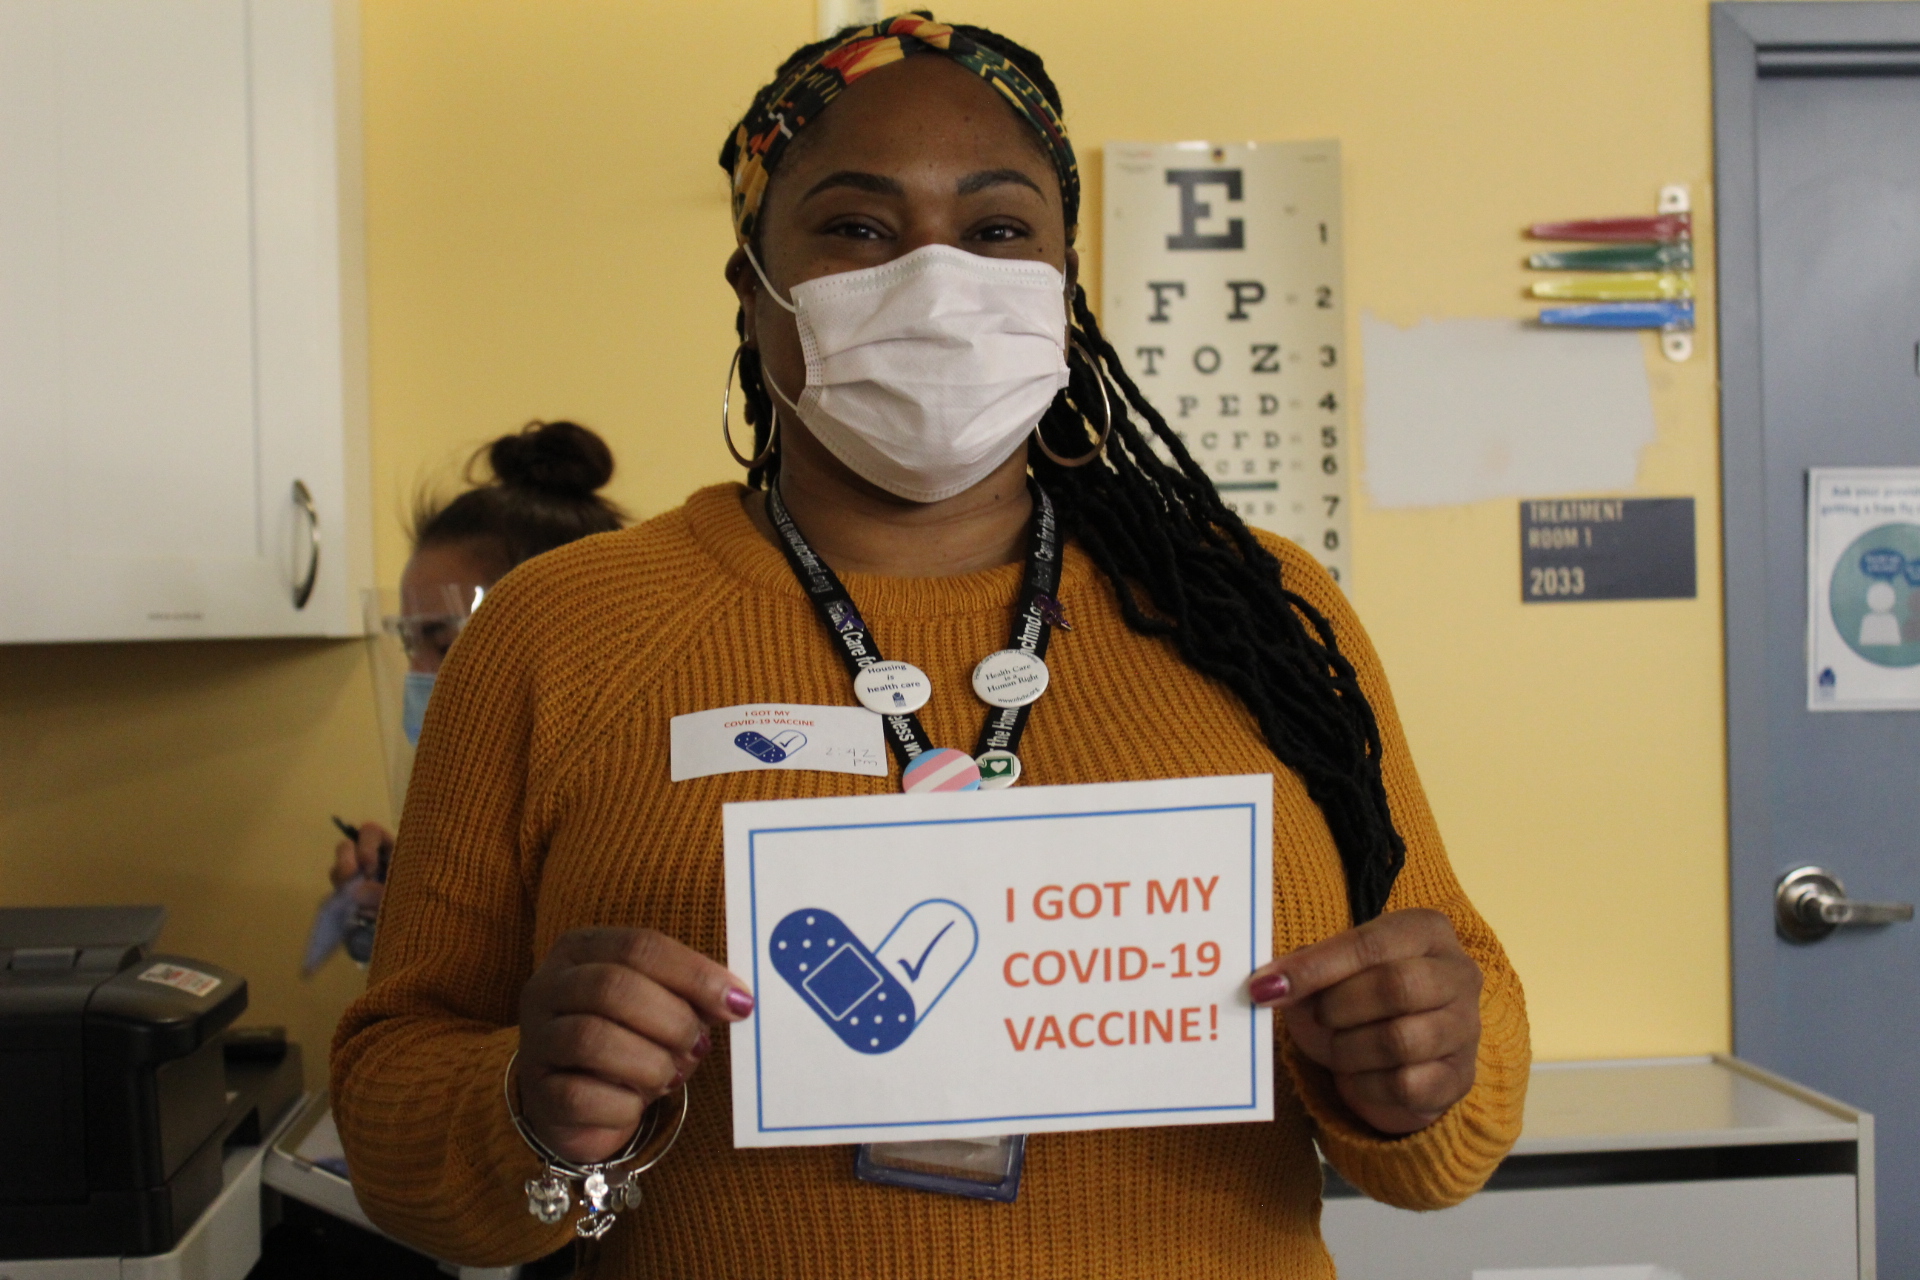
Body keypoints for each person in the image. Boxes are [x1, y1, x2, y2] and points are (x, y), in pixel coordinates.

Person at [331, 17, 1528, 1278]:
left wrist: (1427, 1065)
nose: (938, 280)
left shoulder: (1261, 609)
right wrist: (526, 1104)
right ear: (752, 285)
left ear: (1065, 281)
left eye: (999, 230)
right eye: (858, 227)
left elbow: (1460, 1067)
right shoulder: (559, 628)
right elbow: (393, 1097)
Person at [323, 420, 627, 943]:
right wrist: (413, 889)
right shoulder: (484, 814)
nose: (417, 676)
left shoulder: (633, 823)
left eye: (443, 645)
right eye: (409, 645)